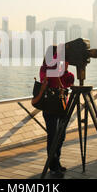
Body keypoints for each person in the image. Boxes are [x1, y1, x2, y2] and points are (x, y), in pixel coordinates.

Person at [32, 45, 74, 178]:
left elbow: (69, 83)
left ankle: (57, 161)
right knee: (53, 137)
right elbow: (49, 79)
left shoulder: (61, 69)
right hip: (50, 107)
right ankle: (53, 166)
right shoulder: (44, 69)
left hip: (62, 106)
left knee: (61, 136)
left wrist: (65, 70)